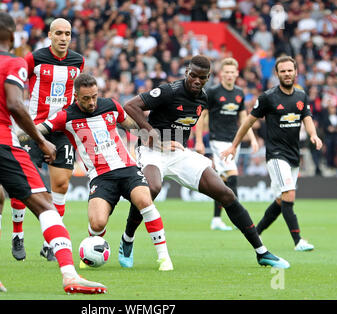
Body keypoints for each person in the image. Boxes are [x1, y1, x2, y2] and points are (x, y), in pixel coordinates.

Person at [0, 11, 106, 294]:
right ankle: (70, 275)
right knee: (44, 204)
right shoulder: (15, 62)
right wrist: (41, 142)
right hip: (2, 140)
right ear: (12, 37)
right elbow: (16, 105)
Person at [119, 55, 290, 269]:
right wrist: (156, 137)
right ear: (186, 73)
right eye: (193, 75)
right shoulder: (169, 91)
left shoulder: (203, 98)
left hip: (180, 153)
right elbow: (131, 106)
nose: (197, 80)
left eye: (202, 77)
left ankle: (262, 252)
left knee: (226, 193)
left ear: (208, 77)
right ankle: (127, 239)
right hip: (152, 150)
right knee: (151, 188)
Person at [19, 73, 173, 271]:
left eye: (94, 96)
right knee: (98, 223)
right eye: (86, 98)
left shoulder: (110, 105)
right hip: (100, 176)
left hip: (126, 168)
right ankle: (93, 249)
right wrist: (16, 138)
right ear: (76, 97)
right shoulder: (66, 116)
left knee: (144, 200)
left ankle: (163, 258)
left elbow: (134, 128)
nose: (92, 102)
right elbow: (36, 129)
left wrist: (158, 138)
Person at [222, 56, 323, 252]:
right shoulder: (268, 97)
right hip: (277, 155)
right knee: (289, 194)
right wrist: (234, 145)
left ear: (296, 72)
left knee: (281, 200)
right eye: (282, 71)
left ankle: (256, 232)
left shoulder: (301, 96)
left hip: (294, 156)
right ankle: (298, 241)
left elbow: (307, 117)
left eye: (289, 70)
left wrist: (314, 135)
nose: (287, 74)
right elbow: (248, 122)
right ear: (277, 74)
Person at [9, 18, 84, 262]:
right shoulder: (34, 58)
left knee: (61, 185)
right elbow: (16, 84)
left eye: (68, 34)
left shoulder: (78, 61)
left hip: (62, 129)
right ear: (50, 35)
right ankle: (17, 234)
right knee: (23, 184)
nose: (64, 38)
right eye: (59, 33)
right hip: (34, 130)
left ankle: (49, 243)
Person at [195, 57, 259, 231]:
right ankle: (242, 220)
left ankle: (216, 219)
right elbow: (202, 116)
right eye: (227, 72)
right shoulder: (213, 92)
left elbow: (244, 119)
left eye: (232, 72)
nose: (230, 75)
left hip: (233, 142)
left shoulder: (239, 93)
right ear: (221, 74)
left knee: (222, 182)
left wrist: (252, 139)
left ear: (237, 74)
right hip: (218, 141)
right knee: (233, 176)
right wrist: (200, 140)